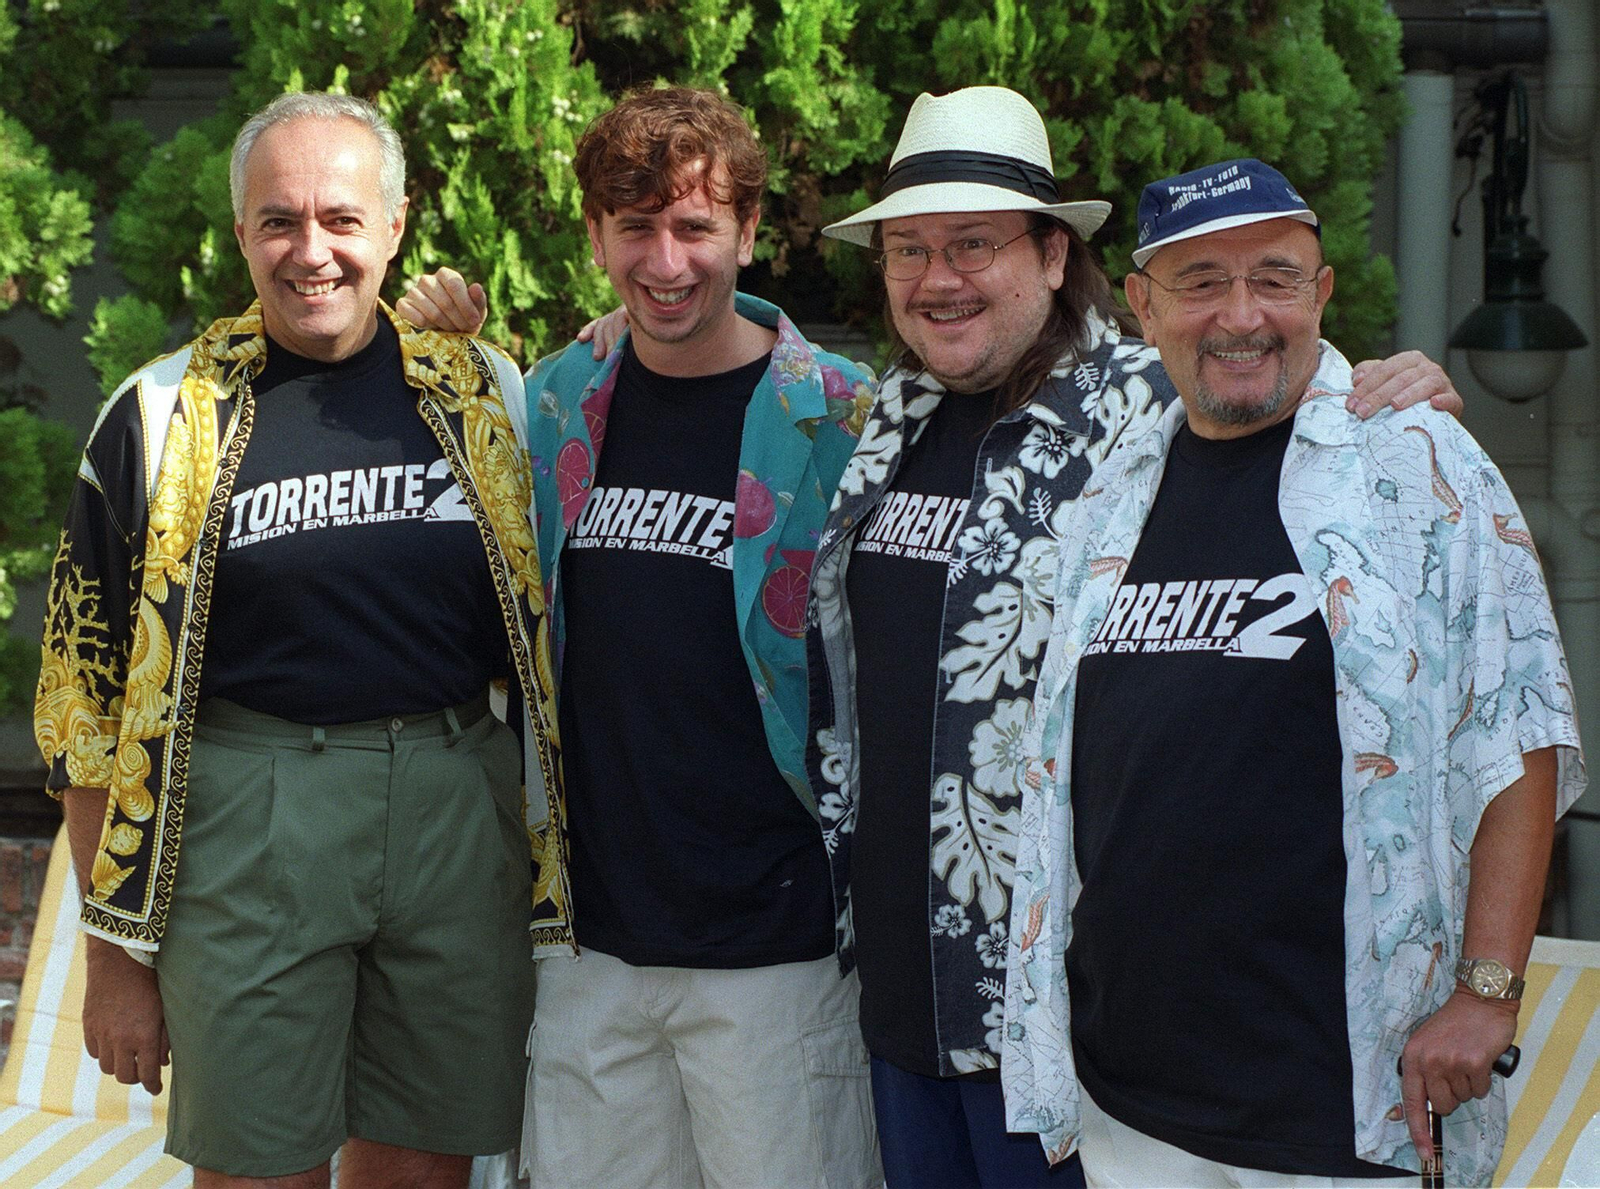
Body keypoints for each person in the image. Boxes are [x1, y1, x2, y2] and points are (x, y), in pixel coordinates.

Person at [402, 86, 1460, 1188]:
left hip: (1053, 1019)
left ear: (1054, 255)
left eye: (972, 244)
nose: (939, 276)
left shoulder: (1140, 410)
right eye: (910, 249)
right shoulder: (883, 418)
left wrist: (1365, 384)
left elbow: (1253, 369)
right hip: (893, 994)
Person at [1001, 158, 1585, 1188]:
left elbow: (1519, 730)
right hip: (1128, 1094)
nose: (1242, 315)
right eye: (1201, 281)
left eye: (1273, 277)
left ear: (1320, 294)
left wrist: (1488, 991)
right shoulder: (1115, 492)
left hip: (1335, 1106)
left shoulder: (1413, 466)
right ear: (1143, 307)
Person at [33, 91, 559, 1189]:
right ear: (239, 235)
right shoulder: (156, 415)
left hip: (454, 807)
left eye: (340, 219)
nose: (309, 250)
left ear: (397, 226)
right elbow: (81, 713)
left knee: (423, 1166)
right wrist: (114, 959)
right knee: (257, 1166)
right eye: (278, 221)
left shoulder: (487, 393)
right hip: (248, 815)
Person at [406, 85, 883, 1189]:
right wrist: (445, 351)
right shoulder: (560, 403)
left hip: (778, 950)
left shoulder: (846, 419)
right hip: (591, 946)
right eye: (636, 229)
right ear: (596, 236)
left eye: (694, 227)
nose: (666, 262)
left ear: (748, 233)